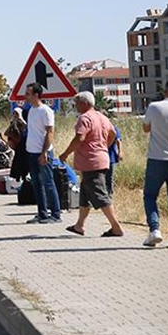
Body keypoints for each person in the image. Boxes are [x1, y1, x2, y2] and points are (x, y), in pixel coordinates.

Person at [58, 91, 123, 237]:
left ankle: (116, 226)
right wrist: (103, 146)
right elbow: (113, 133)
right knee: (85, 195)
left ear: (84, 103)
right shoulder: (102, 117)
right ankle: (79, 225)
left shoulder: (85, 118)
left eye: (77, 104)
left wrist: (65, 153)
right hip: (99, 159)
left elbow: (79, 138)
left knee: (100, 195)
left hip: (91, 161)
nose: (75, 107)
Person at [141, 79, 168, 248]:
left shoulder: (154, 107)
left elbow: (145, 128)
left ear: (165, 91)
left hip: (157, 158)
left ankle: (155, 230)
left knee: (150, 195)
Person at [25, 83, 62, 224]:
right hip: (31, 151)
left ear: (36, 95)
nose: (25, 96)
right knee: (36, 183)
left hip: (43, 152)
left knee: (48, 182)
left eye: (28, 93)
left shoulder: (45, 111)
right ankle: (42, 213)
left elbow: (50, 132)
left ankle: (56, 214)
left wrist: (44, 152)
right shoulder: (31, 110)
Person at [105, 111, 122, 195]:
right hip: (100, 157)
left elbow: (118, 140)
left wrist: (120, 152)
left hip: (110, 156)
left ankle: (110, 194)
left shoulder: (112, 128)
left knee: (109, 177)